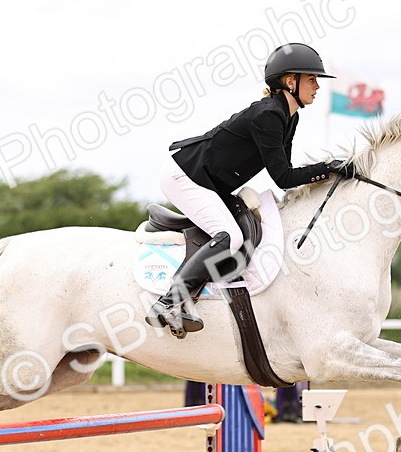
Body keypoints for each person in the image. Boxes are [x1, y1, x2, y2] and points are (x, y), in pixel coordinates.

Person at [146, 43, 356, 337]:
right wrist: (329, 168)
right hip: (186, 176)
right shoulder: (268, 115)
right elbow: (282, 177)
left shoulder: (289, 116)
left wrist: (329, 169)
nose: (317, 86)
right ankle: (169, 302)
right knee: (229, 237)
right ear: (290, 81)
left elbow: (287, 172)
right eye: (312, 79)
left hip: (209, 181)